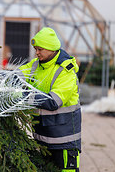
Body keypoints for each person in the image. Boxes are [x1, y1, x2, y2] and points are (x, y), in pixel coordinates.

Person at [18, 27, 81, 172]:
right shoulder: (35, 65)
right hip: (43, 139)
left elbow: (53, 102)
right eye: (35, 49)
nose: (37, 52)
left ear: (52, 49)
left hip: (64, 141)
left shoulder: (66, 71)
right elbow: (16, 76)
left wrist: (22, 95)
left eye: (40, 49)